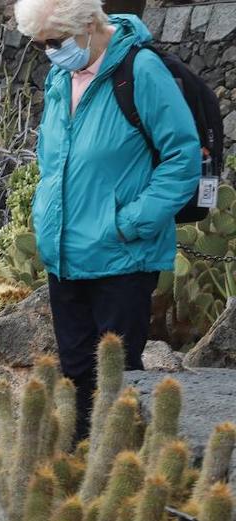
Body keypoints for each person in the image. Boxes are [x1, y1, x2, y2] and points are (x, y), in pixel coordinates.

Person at [14, 1, 201, 438]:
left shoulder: (142, 71)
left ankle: (119, 472)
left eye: (54, 42)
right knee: (76, 376)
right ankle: (83, 470)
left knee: (116, 380)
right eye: (40, 44)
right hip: (65, 255)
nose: (48, 52)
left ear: (88, 25)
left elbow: (182, 157)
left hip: (122, 258)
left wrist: (131, 222)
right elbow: (52, 158)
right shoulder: (61, 74)